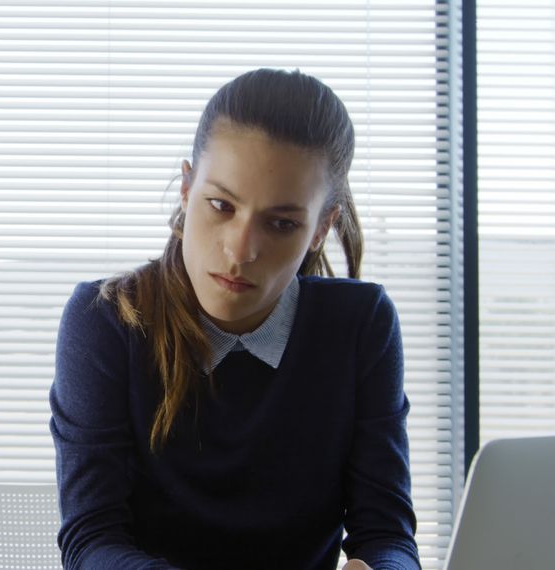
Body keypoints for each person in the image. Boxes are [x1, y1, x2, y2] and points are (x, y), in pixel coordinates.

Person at [50, 68, 420, 570]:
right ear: (186, 191)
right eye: (221, 205)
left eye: (282, 223)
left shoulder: (361, 325)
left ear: (320, 229)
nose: (240, 250)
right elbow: (91, 539)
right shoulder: (107, 322)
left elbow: (387, 534)